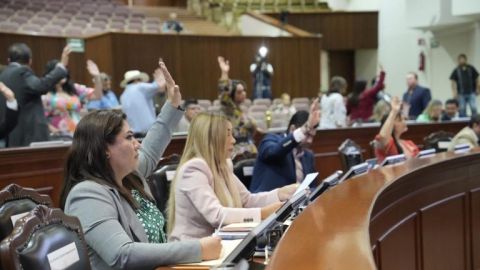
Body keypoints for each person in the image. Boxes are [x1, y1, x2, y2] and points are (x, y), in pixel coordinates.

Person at [61, 60, 222, 269]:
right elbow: (121, 254)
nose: (137, 144)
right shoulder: (87, 195)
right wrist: (197, 249)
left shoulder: (129, 177)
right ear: (104, 150)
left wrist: (172, 105)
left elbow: (151, 148)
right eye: (129, 138)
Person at [167, 112, 297, 241]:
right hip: (192, 254)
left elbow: (247, 201)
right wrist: (262, 213)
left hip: (220, 247)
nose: (234, 140)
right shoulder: (193, 169)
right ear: (213, 138)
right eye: (228, 134)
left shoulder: (223, 166)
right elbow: (217, 215)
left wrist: (280, 193)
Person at [0, 43, 70, 147]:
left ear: (9, 60)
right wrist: (61, 66)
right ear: (30, 61)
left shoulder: (3, 75)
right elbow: (41, 86)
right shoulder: (22, 72)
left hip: (10, 134)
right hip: (31, 134)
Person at [250, 100, 320, 193]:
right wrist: (305, 129)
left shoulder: (308, 155)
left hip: (297, 205)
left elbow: (312, 186)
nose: (310, 141)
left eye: (312, 136)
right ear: (292, 129)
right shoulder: (270, 141)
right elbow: (274, 152)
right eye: (307, 135)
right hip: (269, 204)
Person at [42, 59, 102, 137]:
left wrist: (97, 76)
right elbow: (41, 118)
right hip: (59, 134)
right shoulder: (45, 94)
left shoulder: (74, 89)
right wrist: (53, 130)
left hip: (79, 132)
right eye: (59, 70)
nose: (63, 72)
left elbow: (97, 95)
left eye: (64, 69)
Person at [217, 56, 257, 159]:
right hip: (235, 151)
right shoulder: (228, 107)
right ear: (232, 94)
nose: (244, 93)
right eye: (239, 92)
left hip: (248, 148)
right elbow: (223, 92)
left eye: (244, 90)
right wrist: (224, 73)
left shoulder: (242, 109)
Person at [374, 96, 419, 164]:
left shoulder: (409, 143)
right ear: (391, 125)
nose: (404, 122)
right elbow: (382, 137)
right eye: (400, 120)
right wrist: (394, 111)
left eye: (404, 119)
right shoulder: (385, 142)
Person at [120, 67, 165, 134]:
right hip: (148, 133)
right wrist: (161, 77)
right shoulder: (140, 87)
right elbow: (159, 85)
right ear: (136, 80)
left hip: (133, 133)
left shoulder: (123, 96)